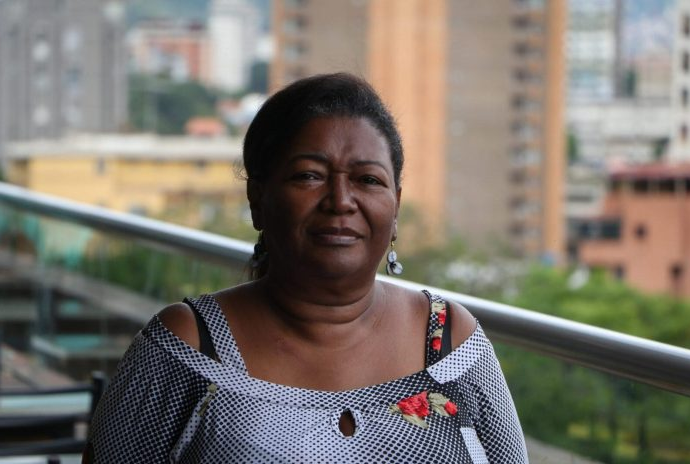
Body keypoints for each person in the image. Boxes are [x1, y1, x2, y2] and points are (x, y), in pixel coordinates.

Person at [84, 73, 528, 463]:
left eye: (368, 180)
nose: (341, 201)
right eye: (309, 176)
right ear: (258, 198)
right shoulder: (188, 346)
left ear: (395, 207)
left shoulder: (451, 342)